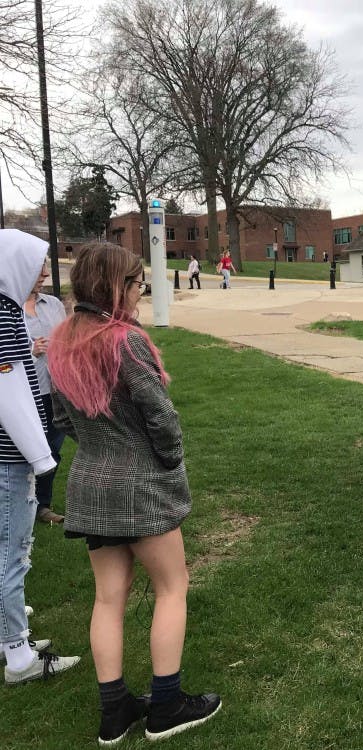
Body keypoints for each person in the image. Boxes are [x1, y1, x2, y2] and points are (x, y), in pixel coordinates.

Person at [48, 242, 220, 743]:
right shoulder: (126, 340)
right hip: (141, 486)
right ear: (114, 287)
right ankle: (166, 705)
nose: (140, 291)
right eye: (136, 282)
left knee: (108, 598)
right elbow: (162, 418)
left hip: (89, 483)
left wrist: (103, 446)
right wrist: (165, 460)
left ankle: (114, 712)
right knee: (172, 587)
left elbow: (60, 418)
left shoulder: (59, 340)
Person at [0, 228, 81, 685]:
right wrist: (41, 458)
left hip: (12, 455)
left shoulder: (8, 311)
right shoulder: (5, 316)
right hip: (11, 456)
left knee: (7, 546)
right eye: (34, 264)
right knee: (12, 552)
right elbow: (9, 391)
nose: (41, 273)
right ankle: (18, 657)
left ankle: (6, 630)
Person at [24, 261, 68, 524]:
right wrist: (30, 351)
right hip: (23, 395)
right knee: (21, 453)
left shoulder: (54, 305)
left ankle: (42, 505)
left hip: (56, 392)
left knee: (51, 450)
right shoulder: (7, 309)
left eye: (45, 267)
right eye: (37, 268)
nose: (45, 274)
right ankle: (17, 503)